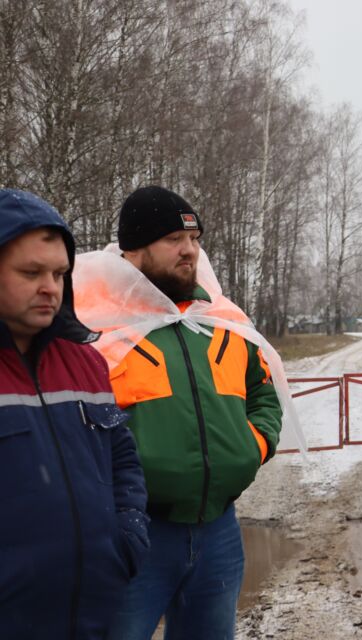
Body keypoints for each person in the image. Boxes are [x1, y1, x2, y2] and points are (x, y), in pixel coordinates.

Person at [71, 185, 284, 640]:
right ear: (134, 250)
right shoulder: (95, 322)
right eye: (173, 239)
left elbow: (263, 393)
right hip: (134, 534)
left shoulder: (220, 318)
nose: (190, 251)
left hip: (220, 532)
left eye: (195, 239)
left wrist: (253, 445)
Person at [0, 188, 148, 638]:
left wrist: (126, 540)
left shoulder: (86, 361)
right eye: (31, 272)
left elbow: (122, 460)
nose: (50, 287)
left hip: (91, 615)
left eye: (60, 273)